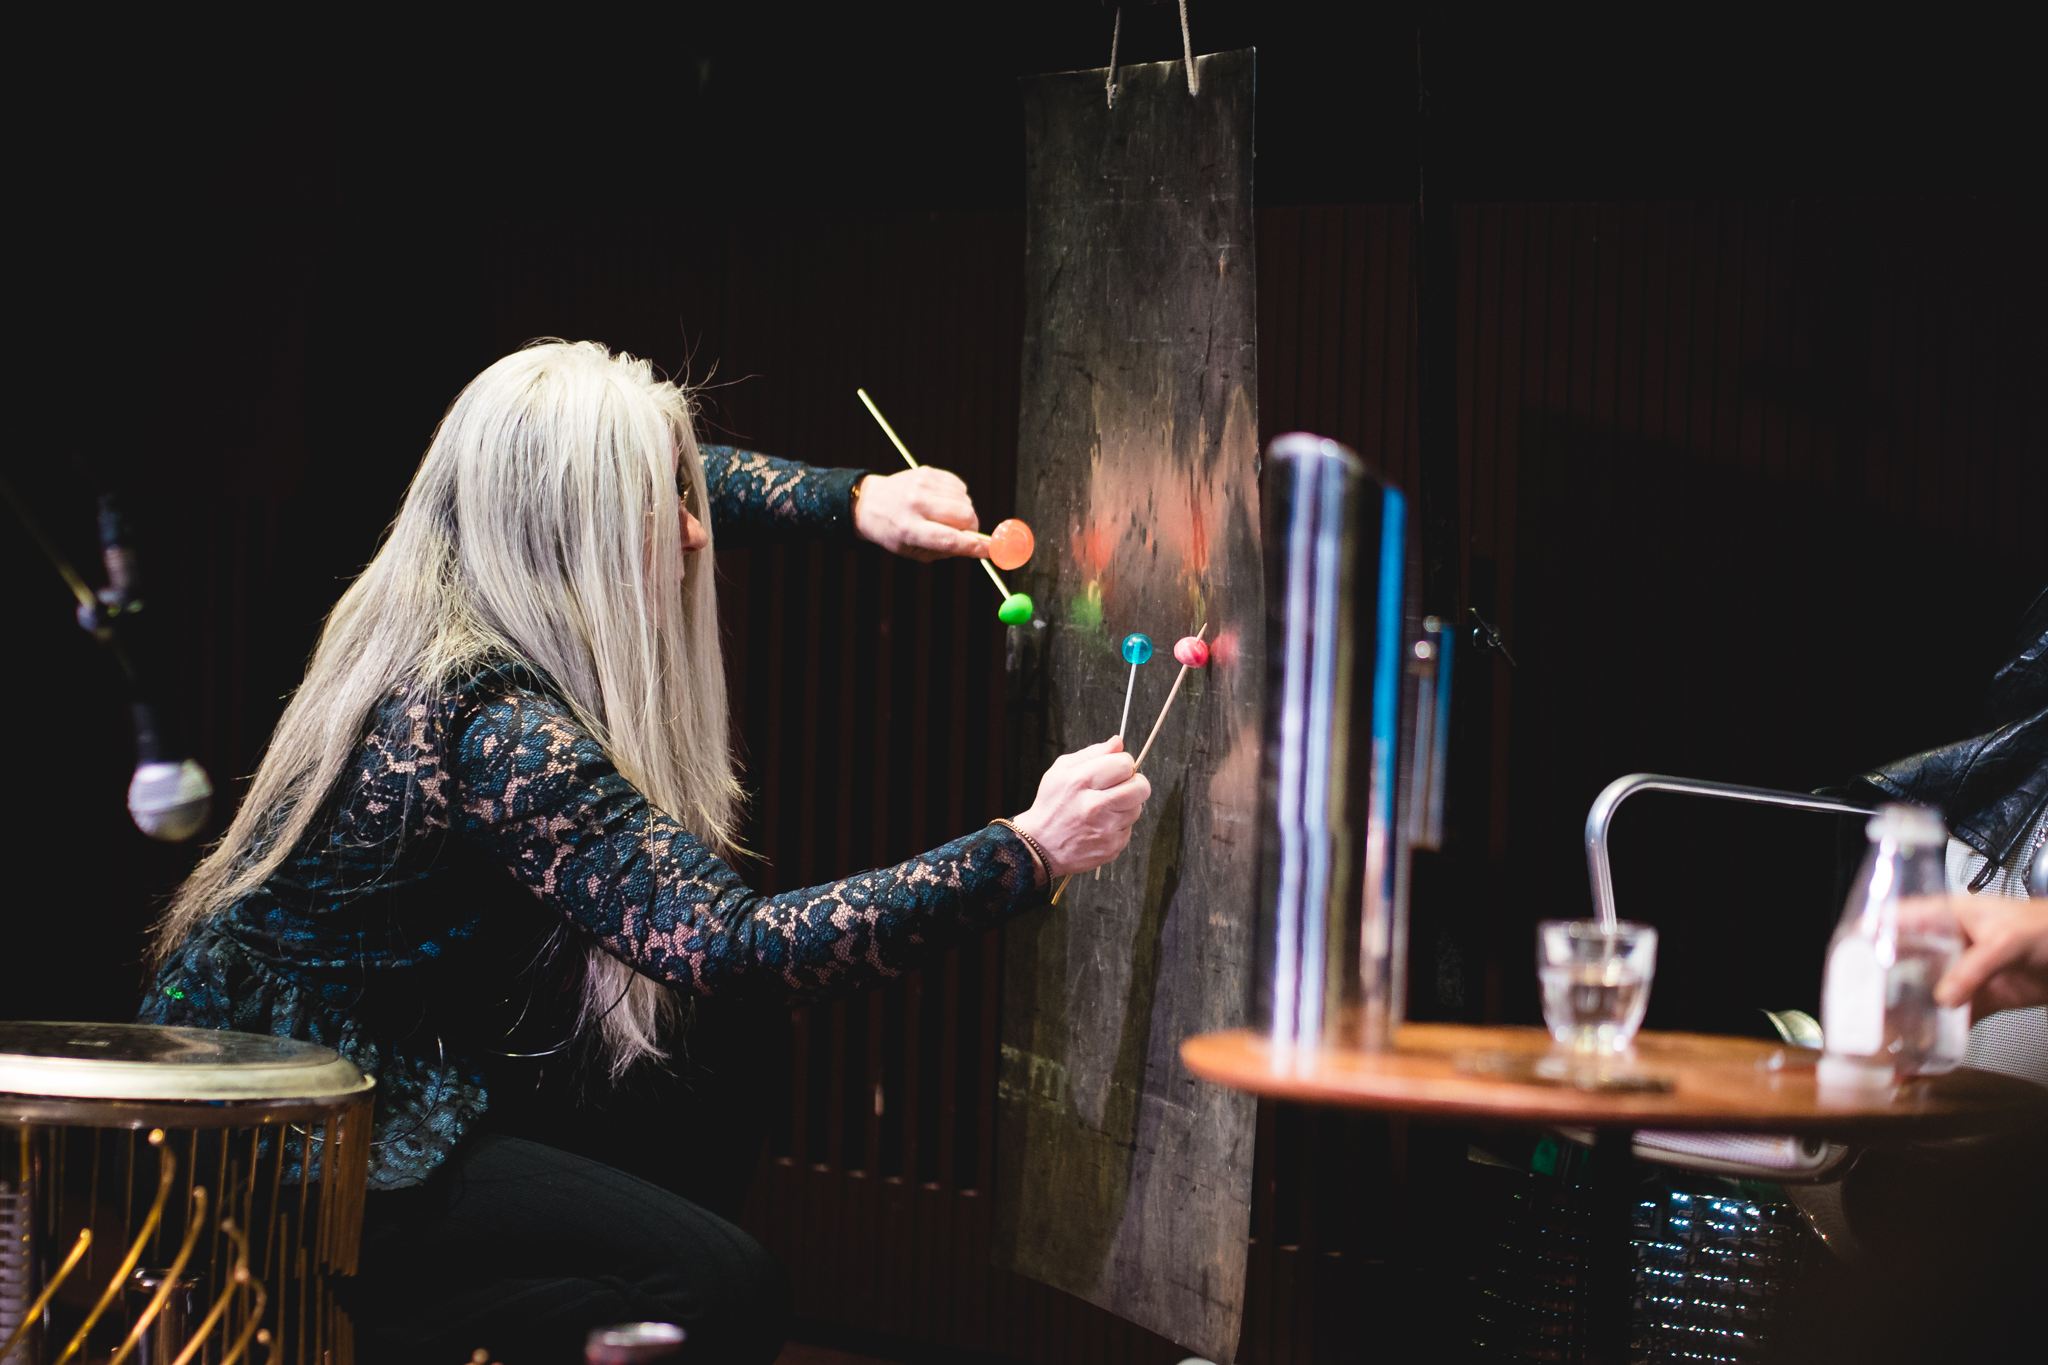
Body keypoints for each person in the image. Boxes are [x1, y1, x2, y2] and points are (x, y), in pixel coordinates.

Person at [139, 340, 1151, 1364]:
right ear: (566, 524)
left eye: (680, 490)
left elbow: (662, 483)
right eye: (650, 501)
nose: (690, 528)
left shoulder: (456, 570)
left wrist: (853, 503)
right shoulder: (492, 728)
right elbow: (740, 949)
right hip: (301, 1136)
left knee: (709, 1064)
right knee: (714, 1287)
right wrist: (1024, 849)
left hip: (382, 1065)